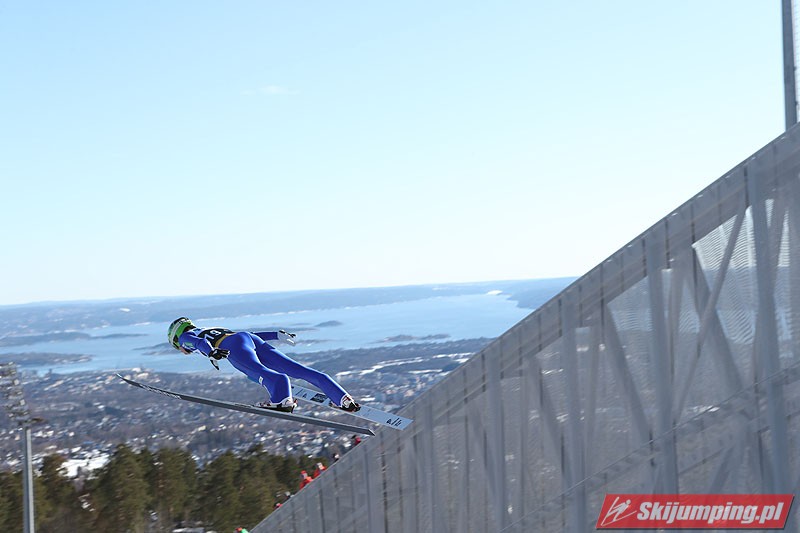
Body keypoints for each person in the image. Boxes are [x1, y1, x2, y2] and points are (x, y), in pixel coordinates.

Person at [167, 317, 360, 413]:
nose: (181, 350)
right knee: (299, 370)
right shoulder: (210, 328)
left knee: (260, 372)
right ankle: (343, 399)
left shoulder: (185, 337)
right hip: (247, 338)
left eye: (177, 347)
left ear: (176, 338)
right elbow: (247, 336)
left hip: (232, 346)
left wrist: (211, 352)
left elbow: (197, 343)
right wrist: (276, 335)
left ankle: (282, 401)